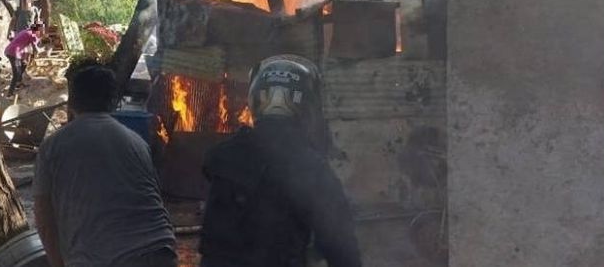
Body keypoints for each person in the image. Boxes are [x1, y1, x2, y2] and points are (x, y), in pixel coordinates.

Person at [199, 55, 362, 267]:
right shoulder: (312, 168)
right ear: (306, 106)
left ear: (256, 101)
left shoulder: (223, 158)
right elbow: (343, 251)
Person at [33, 64, 176, 267]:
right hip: (160, 251)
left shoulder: (52, 147)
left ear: (71, 101)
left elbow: (44, 219)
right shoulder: (136, 142)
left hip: (103, 258)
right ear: (113, 102)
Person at [4, 23, 44, 96]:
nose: (41, 32)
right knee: (16, 73)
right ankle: (10, 94)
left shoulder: (25, 31)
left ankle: (18, 83)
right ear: (37, 30)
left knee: (24, 64)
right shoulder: (31, 34)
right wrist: (43, 50)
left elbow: (27, 47)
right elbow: (36, 49)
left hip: (13, 52)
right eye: (40, 31)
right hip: (14, 53)